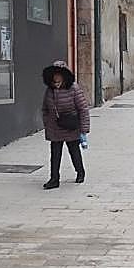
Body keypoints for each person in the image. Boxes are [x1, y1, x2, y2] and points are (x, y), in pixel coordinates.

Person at [41, 60, 90, 189]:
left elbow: (83, 108)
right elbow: (45, 108)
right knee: (55, 154)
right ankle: (54, 179)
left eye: (59, 75)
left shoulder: (73, 88)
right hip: (55, 127)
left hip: (70, 126)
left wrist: (84, 129)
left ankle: (80, 172)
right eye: (54, 75)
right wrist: (47, 122)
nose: (56, 78)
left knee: (74, 151)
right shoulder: (49, 90)